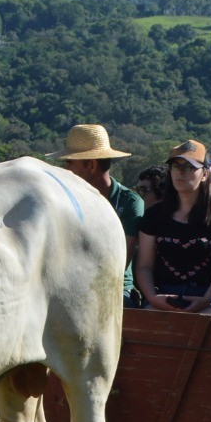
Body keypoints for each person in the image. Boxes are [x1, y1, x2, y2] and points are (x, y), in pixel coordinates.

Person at [135, 139, 211, 315]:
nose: (181, 172)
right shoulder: (153, 215)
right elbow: (144, 265)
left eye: (189, 167)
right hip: (163, 293)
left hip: (209, 294)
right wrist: (152, 297)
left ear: (204, 174)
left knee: (205, 322)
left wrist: (205, 300)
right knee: (150, 324)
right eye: (176, 166)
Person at [50, 124, 143, 305]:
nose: (65, 169)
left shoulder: (129, 202)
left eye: (69, 162)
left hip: (116, 288)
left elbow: (119, 262)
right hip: (67, 285)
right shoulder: (63, 198)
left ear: (91, 165)